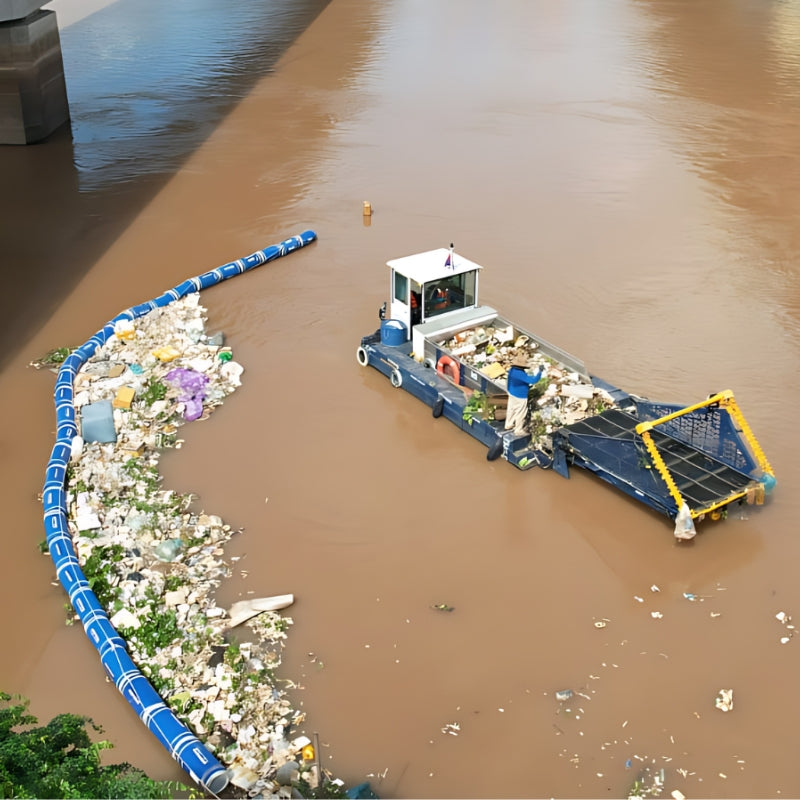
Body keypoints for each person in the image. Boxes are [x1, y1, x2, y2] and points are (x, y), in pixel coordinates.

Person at [504, 353, 545, 436]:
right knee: (521, 412)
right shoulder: (520, 373)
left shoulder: (512, 370)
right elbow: (533, 380)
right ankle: (518, 430)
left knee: (511, 409)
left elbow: (512, 381)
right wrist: (540, 372)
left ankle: (508, 424)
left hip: (511, 392)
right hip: (520, 396)